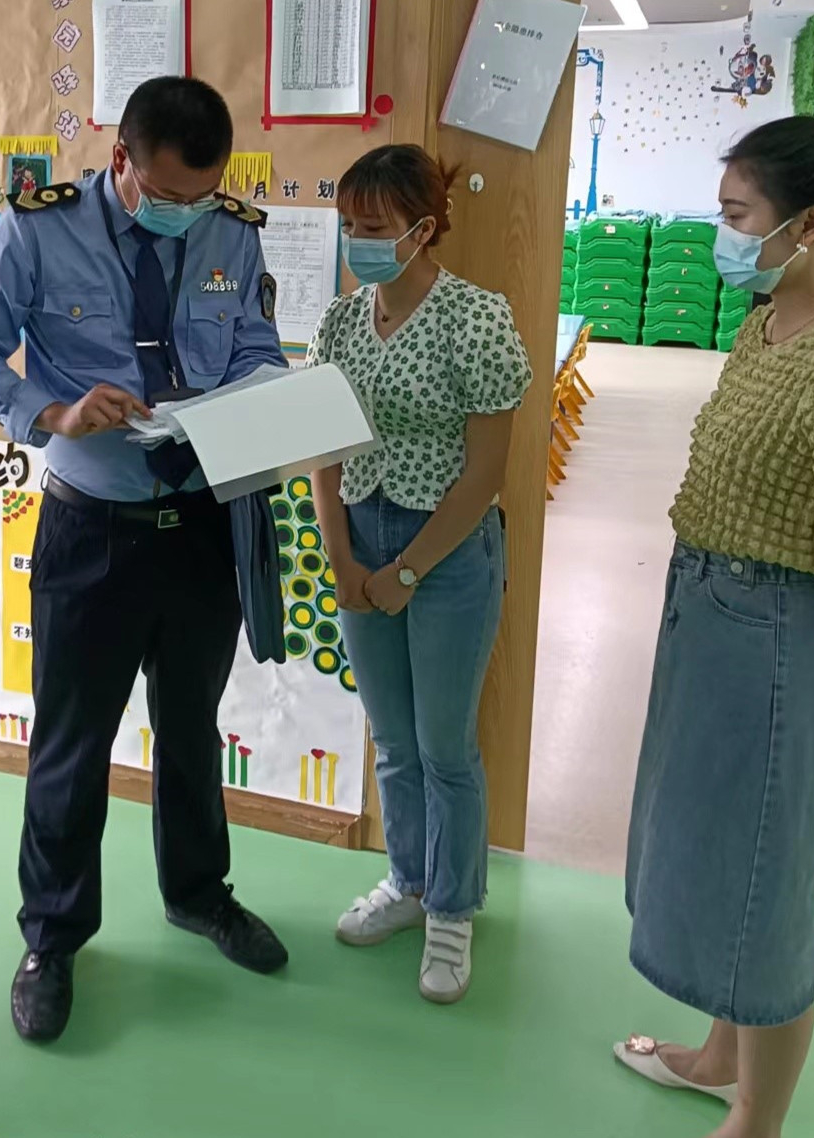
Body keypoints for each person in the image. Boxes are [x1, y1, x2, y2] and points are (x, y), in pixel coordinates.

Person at [0, 75, 289, 1045]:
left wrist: (258, 393)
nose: (188, 212)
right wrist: (51, 411)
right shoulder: (36, 230)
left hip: (202, 522)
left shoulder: (231, 232)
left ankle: (199, 894)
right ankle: (52, 938)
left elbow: (256, 346)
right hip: (91, 526)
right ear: (120, 159)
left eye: (204, 195)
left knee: (190, 730)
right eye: (169, 195)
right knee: (71, 742)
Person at [616, 94, 814, 1138]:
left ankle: (755, 1119)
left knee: (766, 882)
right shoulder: (766, 323)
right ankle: (719, 1054)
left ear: (807, 225)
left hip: (781, 634)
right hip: (712, 614)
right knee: (722, 851)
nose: (722, 235)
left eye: (737, 216)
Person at [305, 145, 532, 1004]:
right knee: (392, 739)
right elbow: (323, 448)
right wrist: (341, 557)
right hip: (359, 536)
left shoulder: (475, 319)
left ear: (422, 229)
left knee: (444, 746)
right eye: (347, 225)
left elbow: (484, 473)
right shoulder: (339, 322)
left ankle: (451, 907)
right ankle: (406, 880)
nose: (355, 242)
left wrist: (406, 572)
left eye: (372, 227)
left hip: (447, 547)